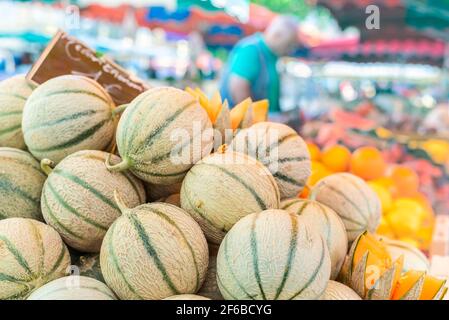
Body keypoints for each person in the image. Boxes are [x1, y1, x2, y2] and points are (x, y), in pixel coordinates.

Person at [220, 15, 299, 113]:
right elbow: (237, 89)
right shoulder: (251, 49)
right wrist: (258, 118)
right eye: (289, 45)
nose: (290, 50)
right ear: (277, 35)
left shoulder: (272, 56)